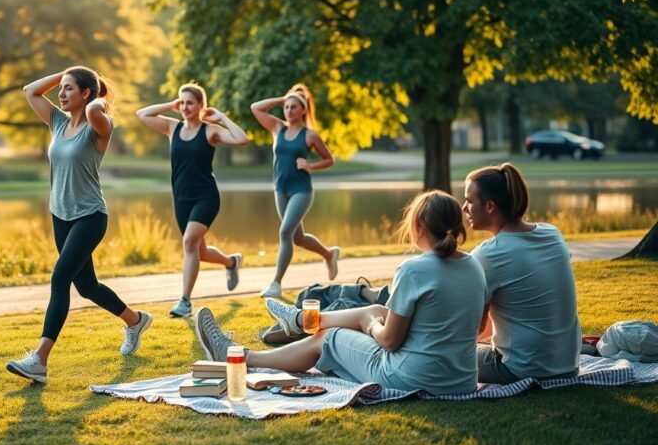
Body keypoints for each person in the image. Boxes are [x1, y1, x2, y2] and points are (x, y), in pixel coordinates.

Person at [195, 190, 489, 396]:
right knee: (379, 312)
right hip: (460, 380)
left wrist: (370, 325)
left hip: (414, 379)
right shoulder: (474, 266)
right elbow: (476, 329)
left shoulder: (414, 270)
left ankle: (245, 355)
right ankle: (299, 320)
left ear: (420, 226)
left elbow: (389, 341)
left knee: (328, 337)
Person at [7, 66, 153, 383]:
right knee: (86, 286)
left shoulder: (98, 126)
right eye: (62, 88)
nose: (61, 93)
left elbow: (97, 112)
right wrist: (64, 74)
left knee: (60, 278)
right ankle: (136, 320)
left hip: (89, 216)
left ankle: (40, 360)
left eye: (69, 88)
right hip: (60, 214)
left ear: (86, 94)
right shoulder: (58, 122)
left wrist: (95, 99)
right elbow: (30, 91)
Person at [136, 84, 250, 317]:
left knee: (189, 242)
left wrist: (222, 118)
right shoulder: (172, 127)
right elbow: (142, 114)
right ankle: (231, 262)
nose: (186, 107)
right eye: (183, 102)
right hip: (181, 198)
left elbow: (242, 139)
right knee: (200, 251)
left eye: (190, 102)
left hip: (206, 196)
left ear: (200, 105)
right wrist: (171, 105)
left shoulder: (210, 132)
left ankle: (185, 302)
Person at [463, 163, 581, 383]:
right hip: (568, 367)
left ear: (490, 206)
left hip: (521, 370)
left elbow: (473, 329)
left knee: (443, 358)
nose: (464, 208)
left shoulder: (488, 254)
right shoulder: (551, 233)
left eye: (469, 201)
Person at [250, 84, 340, 298]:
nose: (288, 110)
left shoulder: (310, 135)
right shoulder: (277, 128)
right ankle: (329, 254)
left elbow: (329, 159)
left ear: (303, 110)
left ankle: (276, 283)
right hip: (280, 188)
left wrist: (310, 166)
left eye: (293, 107)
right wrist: (282, 98)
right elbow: (256, 108)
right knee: (297, 238)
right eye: (286, 107)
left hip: (301, 190)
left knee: (285, 233)